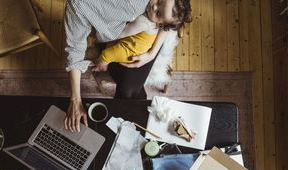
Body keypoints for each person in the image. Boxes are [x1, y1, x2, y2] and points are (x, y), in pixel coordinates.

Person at [64, 0, 192, 132]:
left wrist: (152, 54)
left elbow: (166, 24)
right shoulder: (78, 5)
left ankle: (126, 126)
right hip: (113, 41)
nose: (153, 6)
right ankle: (128, 125)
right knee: (128, 90)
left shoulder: (154, 14)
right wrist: (75, 99)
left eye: (158, 8)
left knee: (128, 90)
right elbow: (75, 50)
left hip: (143, 43)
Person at [91, 14, 159, 73]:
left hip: (130, 51)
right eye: (159, 2)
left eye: (158, 13)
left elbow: (120, 34)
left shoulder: (144, 22)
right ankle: (103, 66)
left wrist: (98, 38)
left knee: (106, 55)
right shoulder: (154, 19)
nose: (154, 7)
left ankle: (97, 63)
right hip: (133, 42)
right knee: (110, 46)